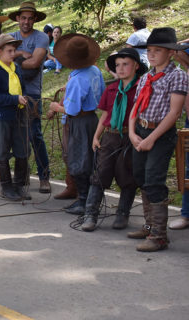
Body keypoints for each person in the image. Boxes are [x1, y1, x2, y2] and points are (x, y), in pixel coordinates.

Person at [127, 27, 188, 251]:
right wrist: (133, 132)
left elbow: (173, 113)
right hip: (140, 131)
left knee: (154, 178)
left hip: (160, 135)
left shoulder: (177, 76)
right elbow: (135, 107)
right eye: (150, 50)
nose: (151, 54)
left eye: (158, 50)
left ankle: (159, 236)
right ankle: (150, 226)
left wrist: (151, 138)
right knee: (140, 176)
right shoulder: (146, 77)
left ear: (171, 53)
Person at [77, 48, 147, 232]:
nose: (121, 68)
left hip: (130, 137)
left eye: (126, 64)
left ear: (136, 66)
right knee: (100, 175)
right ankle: (90, 214)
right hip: (110, 136)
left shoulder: (141, 88)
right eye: (118, 65)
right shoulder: (111, 89)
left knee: (128, 177)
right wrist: (96, 135)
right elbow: (105, 114)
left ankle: (122, 214)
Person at [47, 34, 105, 217]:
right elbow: (101, 93)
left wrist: (56, 107)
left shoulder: (78, 79)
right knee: (88, 158)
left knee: (78, 160)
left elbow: (71, 110)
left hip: (79, 121)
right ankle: (87, 199)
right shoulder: (94, 71)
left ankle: (84, 200)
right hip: (92, 120)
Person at [9, 1, 52, 194]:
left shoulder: (41, 37)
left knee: (35, 135)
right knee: (17, 136)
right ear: (18, 18)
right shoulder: (11, 37)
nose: (26, 21)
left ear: (35, 19)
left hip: (32, 92)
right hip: (13, 92)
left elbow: (35, 62)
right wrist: (19, 53)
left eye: (30, 18)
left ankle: (44, 177)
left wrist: (14, 60)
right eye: (23, 17)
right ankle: (22, 176)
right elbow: (1, 59)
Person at [0, 34, 30, 201]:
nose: (13, 54)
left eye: (14, 50)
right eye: (9, 51)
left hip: (18, 114)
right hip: (1, 117)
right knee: (2, 151)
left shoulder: (16, 68)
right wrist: (14, 99)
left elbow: (22, 88)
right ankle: (6, 187)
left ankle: (19, 186)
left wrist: (24, 98)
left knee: (22, 150)